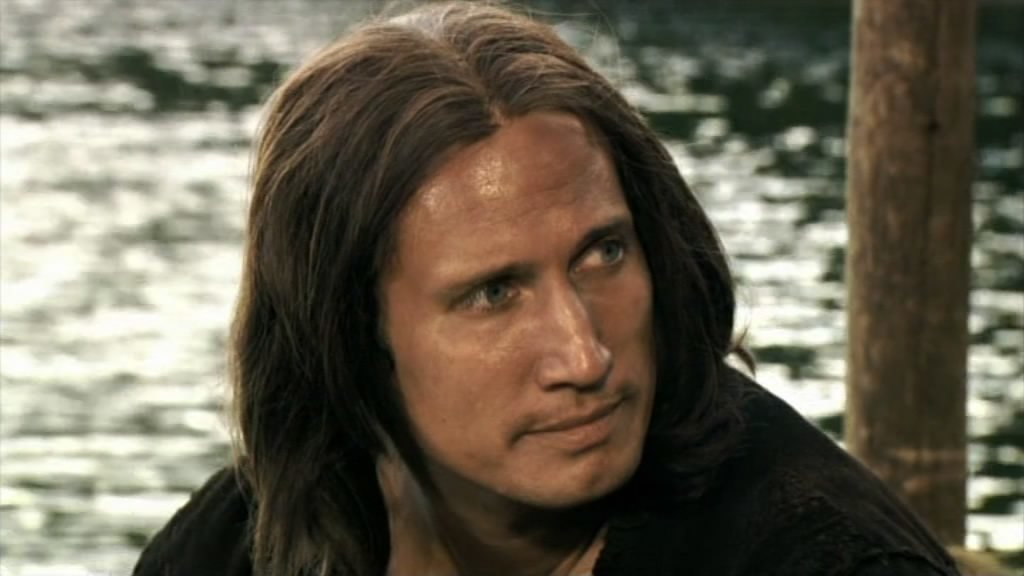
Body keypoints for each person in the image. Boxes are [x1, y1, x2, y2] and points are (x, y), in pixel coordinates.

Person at [132, 2, 962, 575]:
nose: (584, 355)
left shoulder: (822, 559)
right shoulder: (249, 541)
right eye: (495, 293)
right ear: (353, 333)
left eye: (604, 252)